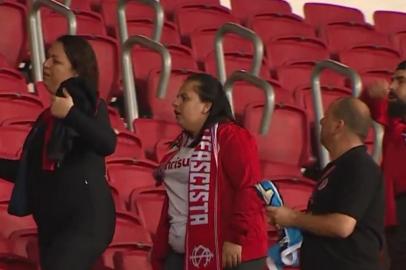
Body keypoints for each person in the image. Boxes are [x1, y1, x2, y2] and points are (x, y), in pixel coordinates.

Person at [0, 35, 117, 270]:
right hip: (53, 225)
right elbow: (28, 171)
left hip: (84, 222)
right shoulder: (48, 119)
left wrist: (72, 113)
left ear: (76, 71)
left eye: (56, 60)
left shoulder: (89, 106)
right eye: (47, 58)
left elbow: (107, 143)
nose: (46, 65)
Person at [151, 73, 267, 270]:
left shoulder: (231, 136)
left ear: (207, 106)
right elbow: (173, 203)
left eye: (184, 98)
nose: (175, 103)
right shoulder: (180, 144)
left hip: (230, 254)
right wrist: (160, 252)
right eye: (177, 97)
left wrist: (235, 238)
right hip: (181, 254)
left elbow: (249, 188)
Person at [267, 97, 385, 270]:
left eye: (327, 116)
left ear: (339, 125)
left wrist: (292, 218)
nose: (321, 121)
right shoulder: (338, 167)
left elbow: (342, 226)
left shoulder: (361, 166)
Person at [361, 61, 406, 270]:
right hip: (397, 209)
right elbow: (360, 110)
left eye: (401, 81)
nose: (393, 86)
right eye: (393, 80)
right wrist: (370, 94)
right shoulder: (394, 119)